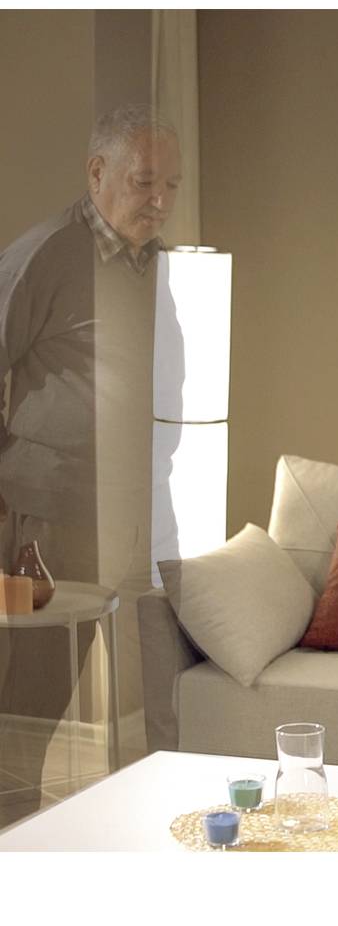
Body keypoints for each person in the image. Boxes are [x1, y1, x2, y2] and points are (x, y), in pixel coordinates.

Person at [0, 104, 182, 802]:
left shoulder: (156, 262)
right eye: (143, 183)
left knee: (152, 684)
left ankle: (153, 818)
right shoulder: (46, 253)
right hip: (55, 513)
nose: (159, 201)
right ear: (97, 172)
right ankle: (11, 829)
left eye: (171, 185)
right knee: (41, 693)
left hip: (140, 510)